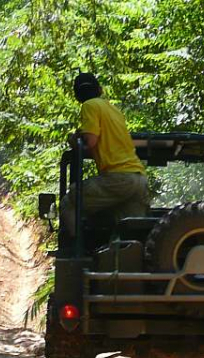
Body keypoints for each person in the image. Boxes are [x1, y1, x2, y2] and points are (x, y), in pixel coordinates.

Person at [59, 73, 149, 237]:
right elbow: (104, 144)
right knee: (129, 235)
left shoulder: (89, 106)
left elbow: (91, 142)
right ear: (100, 90)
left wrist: (75, 141)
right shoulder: (113, 109)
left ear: (77, 95)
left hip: (117, 178)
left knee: (69, 203)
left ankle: (79, 255)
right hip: (138, 179)